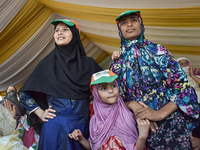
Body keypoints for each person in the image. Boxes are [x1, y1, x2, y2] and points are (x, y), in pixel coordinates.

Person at [109, 10, 200, 149]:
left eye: (133, 20)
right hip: (140, 130)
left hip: (172, 124)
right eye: (123, 23)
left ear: (141, 24)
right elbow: (113, 100)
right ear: (119, 30)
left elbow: (184, 89)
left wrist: (159, 113)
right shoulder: (117, 62)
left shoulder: (159, 52)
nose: (129, 24)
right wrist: (133, 105)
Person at [18, 19, 102, 150]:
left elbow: (107, 87)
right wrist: (40, 113)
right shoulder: (46, 64)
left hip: (82, 127)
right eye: (56, 30)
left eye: (65, 29)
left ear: (75, 34)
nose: (59, 33)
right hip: (55, 128)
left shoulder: (89, 64)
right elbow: (23, 93)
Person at [69, 70, 150, 150]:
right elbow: (94, 147)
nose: (111, 91)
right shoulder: (95, 120)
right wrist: (81, 139)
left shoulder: (126, 113)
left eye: (113, 85)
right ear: (96, 94)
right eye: (104, 88)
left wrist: (143, 136)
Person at [176, 57, 200, 150]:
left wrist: (192, 75)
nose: (184, 65)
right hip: (183, 112)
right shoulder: (174, 81)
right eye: (181, 64)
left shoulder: (197, 78)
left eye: (186, 63)